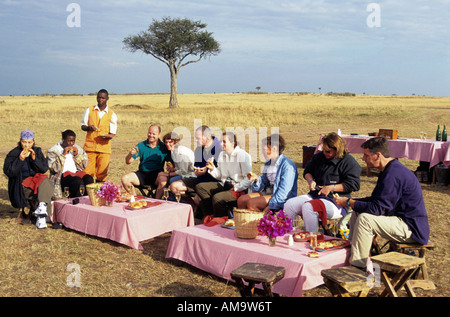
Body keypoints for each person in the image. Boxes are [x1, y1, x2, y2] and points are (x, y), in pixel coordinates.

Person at [334, 137, 430, 269]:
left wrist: (349, 202)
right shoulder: (389, 170)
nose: (363, 158)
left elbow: (377, 209)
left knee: (365, 219)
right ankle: (350, 255)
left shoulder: (393, 174)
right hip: (400, 220)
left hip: (411, 228)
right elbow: (376, 200)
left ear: (378, 155)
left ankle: (357, 268)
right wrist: (351, 202)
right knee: (358, 211)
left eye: (366, 155)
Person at [284, 132, 361, 232]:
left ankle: (313, 238)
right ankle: (289, 234)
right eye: (323, 150)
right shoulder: (319, 157)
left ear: (337, 150)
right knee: (289, 205)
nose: (325, 153)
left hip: (336, 201)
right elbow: (307, 172)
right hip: (315, 195)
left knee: (309, 207)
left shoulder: (348, 161)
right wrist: (311, 181)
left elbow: (354, 184)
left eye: (328, 151)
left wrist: (331, 188)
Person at [3, 130, 54, 228]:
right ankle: (41, 215)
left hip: (36, 182)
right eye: (24, 142)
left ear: (33, 142)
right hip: (21, 185)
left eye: (29, 142)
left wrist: (34, 159)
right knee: (44, 188)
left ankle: (42, 211)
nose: (26, 145)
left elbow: (43, 169)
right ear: (20, 141)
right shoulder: (14, 153)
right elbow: (9, 172)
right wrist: (20, 160)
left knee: (46, 182)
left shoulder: (37, 151)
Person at [195, 132, 252, 218]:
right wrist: (212, 169)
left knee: (217, 198)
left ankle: (221, 219)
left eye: (224, 142)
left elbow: (248, 179)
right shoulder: (222, 154)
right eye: (221, 141)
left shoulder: (242, 156)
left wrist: (237, 187)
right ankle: (209, 215)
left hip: (239, 189)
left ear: (233, 143)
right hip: (225, 185)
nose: (221, 144)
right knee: (200, 187)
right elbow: (220, 175)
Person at [237, 134, 298, 212]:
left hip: (280, 196)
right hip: (268, 192)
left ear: (274, 149)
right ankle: (243, 223)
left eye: (264, 149)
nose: (262, 152)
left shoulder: (287, 166)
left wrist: (271, 206)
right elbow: (264, 182)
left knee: (251, 203)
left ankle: (260, 222)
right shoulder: (268, 163)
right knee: (242, 200)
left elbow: (284, 192)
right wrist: (256, 179)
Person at [173, 125, 222, 212]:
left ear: (207, 137)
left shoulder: (219, 148)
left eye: (198, 138)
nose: (195, 140)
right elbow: (197, 166)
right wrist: (198, 170)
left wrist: (206, 170)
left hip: (215, 182)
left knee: (198, 198)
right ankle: (193, 208)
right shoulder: (198, 149)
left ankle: (207, 214)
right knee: (174, 186)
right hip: (200, 180)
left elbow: (222, 170)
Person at [121, 124, 170, 196]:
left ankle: (157, 202)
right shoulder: (141, 145)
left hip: (157, 175)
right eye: (149, 133)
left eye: (154, 134)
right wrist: (130, 154)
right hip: (142, 174)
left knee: (164, 180)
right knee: (125, 179)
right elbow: (128, 162)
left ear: (159, 134)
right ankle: (135, 200)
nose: (151, 135)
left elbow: (172, 163)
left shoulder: (164, 147)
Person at [80, 89, 117, 182]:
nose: (100, 100)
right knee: (87, 173)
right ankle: (87, 194)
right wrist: (89, 128)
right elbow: (82, 126)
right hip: (90, 148)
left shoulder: (111, 114)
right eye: (99, 97)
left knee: (102, 174)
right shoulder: (89, 110)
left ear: (107, 99)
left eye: (103, 98)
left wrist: (107, 136)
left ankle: (100, 194)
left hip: (104, 149)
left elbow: (113, 133)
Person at [47, 129, 94, 198]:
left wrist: (77, 155)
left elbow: (83, 166)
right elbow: (53, 168)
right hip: (61, 176)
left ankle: (87, 199)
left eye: (73, 141)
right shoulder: (54, 150)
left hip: (75, 173)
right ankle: (75, 200)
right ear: (63, 139)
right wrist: (63, 154)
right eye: (69, 141)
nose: (71, 143)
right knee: (77, 181)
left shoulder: (77, 148)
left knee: (89, 179)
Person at [154, 132, 195, 199]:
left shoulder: (181, 152)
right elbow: (179, 168)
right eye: (166, 142)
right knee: (161, 176)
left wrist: (169, 174)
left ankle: (189, 202)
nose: (167, 144)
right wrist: (173, 169)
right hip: (184, 173)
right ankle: (159, 197)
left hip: (191, 175)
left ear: (176, 142)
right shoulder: (173, 151)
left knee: (171, 180)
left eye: (170, 142)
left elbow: (183, 171)